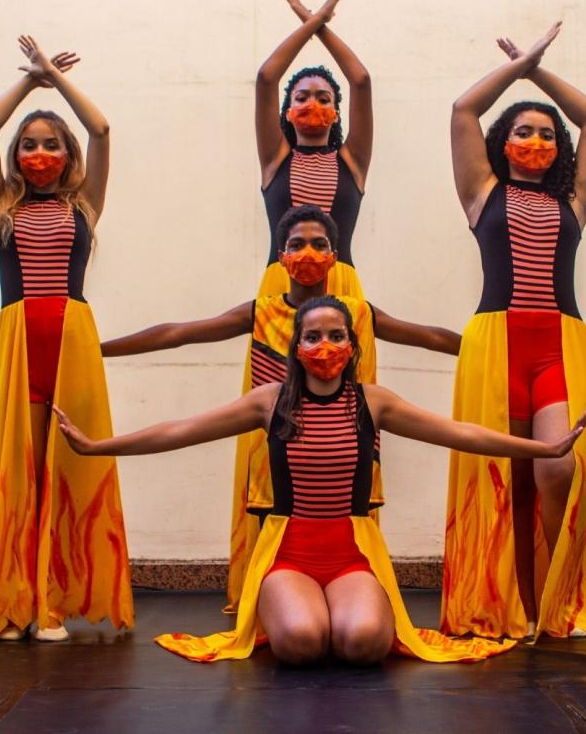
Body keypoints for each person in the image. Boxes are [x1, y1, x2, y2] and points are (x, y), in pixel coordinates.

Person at [56, 297, 586, 664]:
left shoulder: (373, 401)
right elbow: (180, 430)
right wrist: (99, 446)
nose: (325, 345)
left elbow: (460, 433)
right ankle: (299, 611)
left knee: (362, 645)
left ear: (352, 345)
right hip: (288, 551)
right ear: (296, 345)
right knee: (301, 643)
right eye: (313, 336)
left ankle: (341, 610)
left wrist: (543, 448)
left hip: (353, 550)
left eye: (337, 335)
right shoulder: (270, 402)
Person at [101, 204, 460, 611]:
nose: (308, 253)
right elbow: (178, 333)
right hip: (278, 454)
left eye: (319, 244)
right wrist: (99, 350)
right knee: (278, 551)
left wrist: (480, 348)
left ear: (334, 256)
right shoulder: (261, 310)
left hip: (345, 452)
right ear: (281, 255)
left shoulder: (357, 312)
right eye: (297, 244)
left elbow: (425, 336)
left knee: (352, 547)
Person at [441, 22, 586, 640]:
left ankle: (553, 599)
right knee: (504, 478)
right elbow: (464, 108)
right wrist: (517, 71)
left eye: (547, 134)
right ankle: (509, 607)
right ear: (503, 143)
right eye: (524, 132)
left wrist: (536, 68)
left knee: (555, 470)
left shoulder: (575, 202)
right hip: (495, 344)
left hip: (559, 346)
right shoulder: (481, 193)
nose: (538, 141)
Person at [0, 36, 132, 641]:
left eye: (51, 144)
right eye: (30, 145)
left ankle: (55, 600)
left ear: (67, 156)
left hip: (71, 341)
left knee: (67, 467)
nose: (40, 153)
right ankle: (14, 600)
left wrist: (58, 84)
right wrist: (29, 83)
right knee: (22, 470)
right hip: (20, 343)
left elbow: (104, 130)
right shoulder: (2, 204)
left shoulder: (84, 205)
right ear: (17, 158)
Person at [255, 0, 371, 299]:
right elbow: (267, 77)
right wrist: (317, 17)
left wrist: (316, 21)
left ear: (336, 112)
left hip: (341, 288)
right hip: (280, 287)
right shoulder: (275, 158)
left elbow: (360, 80)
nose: (312, 104)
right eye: (302, 97)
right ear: (288, 109)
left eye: (323, 99)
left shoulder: (352, 161)